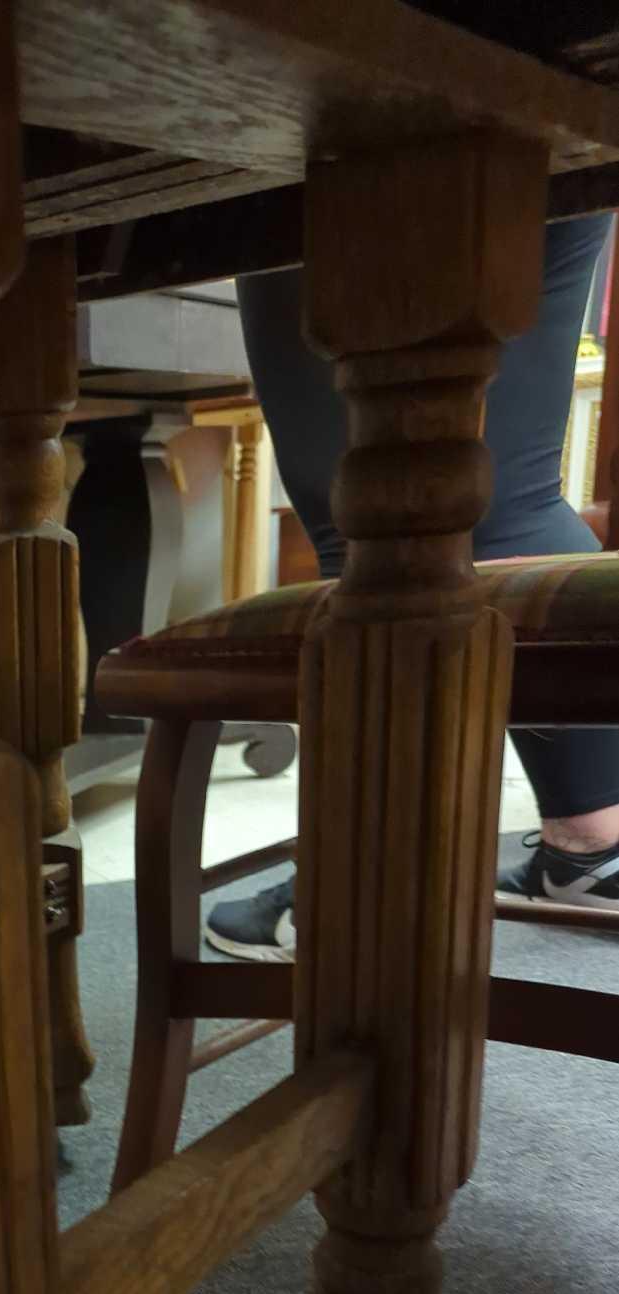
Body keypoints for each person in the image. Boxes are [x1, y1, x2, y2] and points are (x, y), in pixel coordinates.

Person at [206, 214, 619, 963]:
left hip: (334, 129)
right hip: (574, 119)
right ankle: (590, 849)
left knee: (361, 512)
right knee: (513, 497)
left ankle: (361, 882)